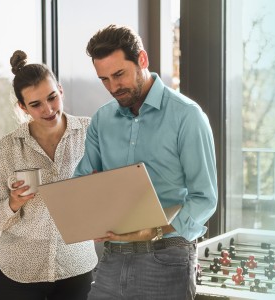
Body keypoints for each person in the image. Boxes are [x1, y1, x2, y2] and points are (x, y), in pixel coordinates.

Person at [73, 24, 218, 300]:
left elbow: (204, 198)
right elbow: (84, 180)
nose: (113, 87)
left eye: (119, 74)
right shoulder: (101, 121)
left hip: (167, 258)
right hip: (111, 260)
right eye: (104, 79)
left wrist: (155, 230)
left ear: (142, 60)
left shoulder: (187, 117)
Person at [0, 50, 98, 300]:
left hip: (76, 266)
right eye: (36, 104)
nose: (48, 109)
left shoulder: (90, 132)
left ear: (60, 90)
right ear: (22, 107)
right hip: (19, 272)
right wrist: (14, 202)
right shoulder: (8, 146)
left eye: (52, 97)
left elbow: (109, 191)